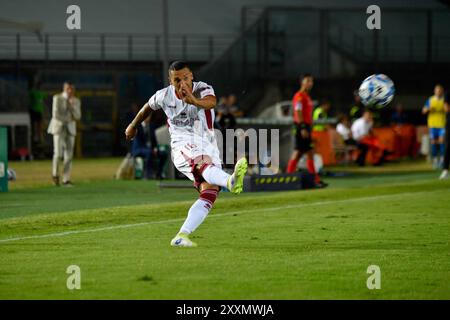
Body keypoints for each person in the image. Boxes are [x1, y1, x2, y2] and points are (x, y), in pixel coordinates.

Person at [125, 61, 248, 247]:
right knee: (204, 164)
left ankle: (182, 236)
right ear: (170, 80)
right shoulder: (164, 95)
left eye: (185, 78)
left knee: (210, 191)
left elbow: (211, 102)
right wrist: (133, 125)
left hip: (207, 143)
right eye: (176, 79)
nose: (182, 82)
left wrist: (194, 101)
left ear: (191, 76)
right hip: (182, 144)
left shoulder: (202, 89)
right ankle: (230, 181)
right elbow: (147, 108)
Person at [286, 73, 327, 187]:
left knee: (301, 153)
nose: (310, 83)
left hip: (306, 127)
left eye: (311, 81)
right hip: (301, 127)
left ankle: (289, 177)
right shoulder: (299, 96)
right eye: (308, 81)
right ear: (302, 82)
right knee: (305, 153)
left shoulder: (307, 97)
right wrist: (303, 127)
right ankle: (314, 179)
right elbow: (298, 112)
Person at [47, 81, 81, 186]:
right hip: (59, 128)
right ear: (64, 89)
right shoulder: (57, 98)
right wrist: (67, 120)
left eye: (72, 89)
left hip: (70, 129)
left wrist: (71, 106)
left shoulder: (76, 101)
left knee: (69, 155)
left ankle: (66, 179)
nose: (70, 91)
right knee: (58, 153)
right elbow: (55, 114)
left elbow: (78, 116)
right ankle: (55, 175)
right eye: (68, 88)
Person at [423, 84, 446, 169]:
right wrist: (429, 109)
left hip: (442, 124)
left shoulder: (444, 100)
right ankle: (435, 160)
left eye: (440, 90)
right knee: (433, 143)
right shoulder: (431, 100)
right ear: (435, 91)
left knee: (442, 142)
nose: (438, 92)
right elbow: (424, 111)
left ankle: (442, 160)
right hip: (432, 125)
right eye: (437, 90)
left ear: (442, 91)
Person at [29, 79, 47, 144]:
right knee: (34, 125)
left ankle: (39, 138)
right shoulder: (33, 92)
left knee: (39, 125)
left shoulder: (42, 93)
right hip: (33, 110)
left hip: (40, 111)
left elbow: (45, 98)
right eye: (39, 85)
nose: (40, 87)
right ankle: (35, 137)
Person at [439, 95, 449, 179]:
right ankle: (445, 170)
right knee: (447, 147)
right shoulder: (448, 93)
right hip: (449, 124)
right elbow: (446, 109)